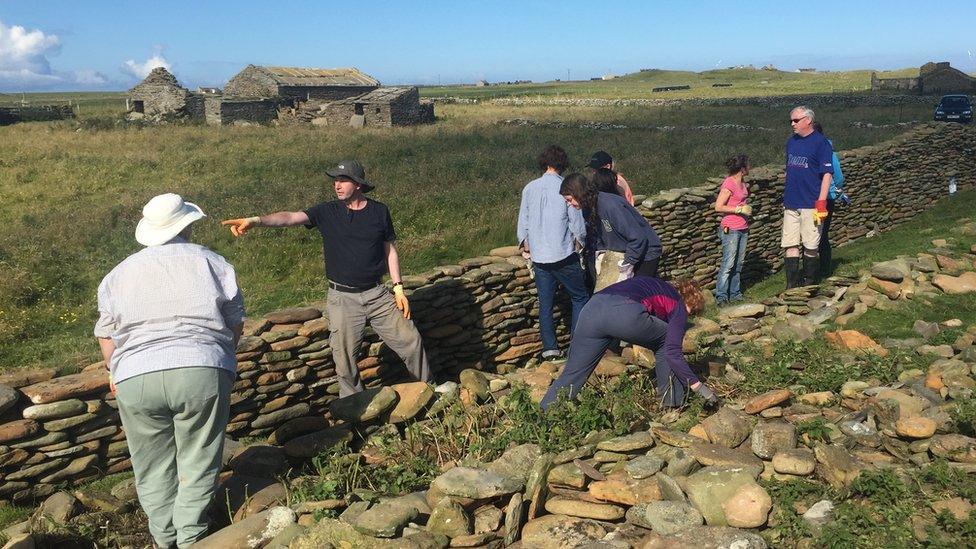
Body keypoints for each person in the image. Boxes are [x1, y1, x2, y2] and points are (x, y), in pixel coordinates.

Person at [95, 193, 244, 549]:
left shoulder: (117, 274)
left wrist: (115, 369)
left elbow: (106, 334)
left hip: (135, 375)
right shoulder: (213, 263)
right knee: (198, 456)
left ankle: (165, 539)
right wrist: (220, 358)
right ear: (188, 226)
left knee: (151, 463)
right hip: (200, 367)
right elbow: (234, 324)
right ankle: (192, 538)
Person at [222, 160, 430, 397]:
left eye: (343, 180)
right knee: (344, 361)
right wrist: (256, 220)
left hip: (378, 294)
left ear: (358, 185)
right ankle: (355, 412)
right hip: (343, 298)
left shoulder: (379, 212)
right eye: (335, 181)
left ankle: (427, 391)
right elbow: (289, 217)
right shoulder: (326, 212)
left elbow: (389, 249)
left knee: (411, 342)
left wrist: (398, 288)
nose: (337, 185)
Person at [540, 276, 718, 410]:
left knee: (573, 371)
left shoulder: (655, 286)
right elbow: (672, 352)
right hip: (624, 311)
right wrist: (699, 387)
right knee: (666, 342)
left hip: (591, 309)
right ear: (691, 303)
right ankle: (672, 404)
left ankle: (545, 415)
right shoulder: (679, 304)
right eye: (691, 314)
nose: (686, 319)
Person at [517, 145, 589, 360]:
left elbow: (523, 220)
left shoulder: (529, 188)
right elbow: (576, 223)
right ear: (562, 164)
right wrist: (582, 242)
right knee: (580, 297)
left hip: (539, 257)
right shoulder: (565, 187)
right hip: (563, 254)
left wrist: (525, 244)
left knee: (545, 304)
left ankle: (549, 348)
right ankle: (577, 345)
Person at [560, 173, 663, 281]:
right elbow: (599, 235)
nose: (568, 204)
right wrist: (600, 254)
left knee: (639, 292)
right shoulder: (586, 209)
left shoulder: (610, 206)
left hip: (646, 253)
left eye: (569, 199)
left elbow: (637, 237)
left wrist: (628, 263)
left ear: (578, 193)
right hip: (624, 253)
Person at [783, 106, 833, 288]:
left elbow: (827, 174)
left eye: (796, 120)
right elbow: (789, 169)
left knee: (811, 245)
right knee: (790, 244)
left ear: (808, 120)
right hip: (791, 202)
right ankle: (791, 284)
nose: (792, 124)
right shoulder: (791, 142)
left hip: (811, 202)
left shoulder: (821, 143)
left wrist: (821, 202)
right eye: (791, 121)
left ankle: (809, 282)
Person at [713, 154, 752, 304]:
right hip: (731, 228)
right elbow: (718, 206)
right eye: (748, 165)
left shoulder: (742, 183)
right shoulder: (729, 183)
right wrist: (738, 210)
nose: (750, 167)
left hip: (743, 227)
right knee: (728, 263)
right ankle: (721, 296)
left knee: (738, 263)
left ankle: (735, 293)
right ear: (742, 169)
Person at [812, 121, 847, 276]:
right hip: (810, 198)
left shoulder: (829, 153)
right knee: (813, 234)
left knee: (822, 234)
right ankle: (815, 269)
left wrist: (834, 191)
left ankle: (824, 269)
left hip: (826, 200)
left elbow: (838, 177)